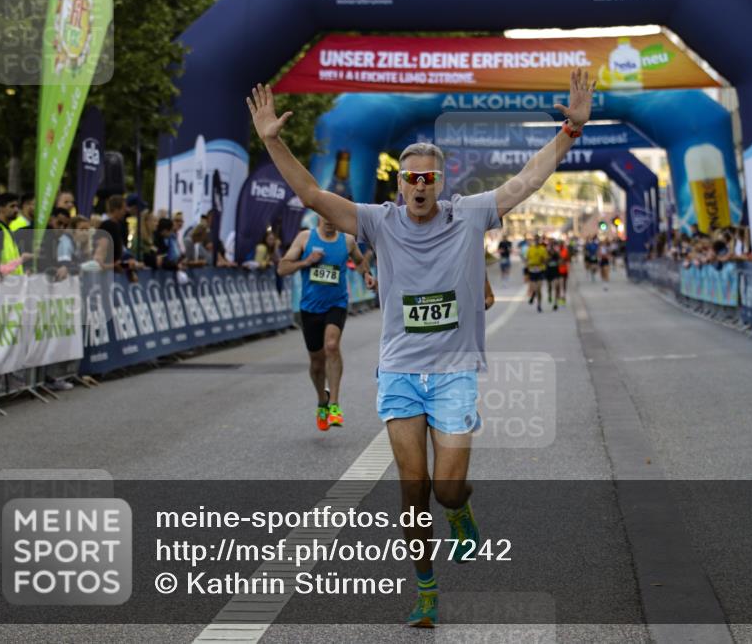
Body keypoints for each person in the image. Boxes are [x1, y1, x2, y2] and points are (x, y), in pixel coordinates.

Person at [248, 69, 594, 627]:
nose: (419, 186)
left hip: (454, 372)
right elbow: (312, 194)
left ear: (440, 181)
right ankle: (427, 590)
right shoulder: (378, 223)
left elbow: (527, 180)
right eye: (411, 178)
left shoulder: (469, 214)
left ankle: (460, 512)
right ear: (400, 183)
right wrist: (272, 140)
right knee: (414, 490)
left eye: (429, 178)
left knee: (448, 489)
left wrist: (570, 131)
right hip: (401, 373)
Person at [278, 216, 375, 431]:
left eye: (333, 216)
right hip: (310, 308)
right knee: (316, 362)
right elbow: (282, 268)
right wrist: (306, 261)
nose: (330, 221)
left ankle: (334, 405)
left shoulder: (347, 241)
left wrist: (366, 275)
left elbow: (359, 261)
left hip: (336, 304)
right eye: (325, 217)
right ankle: (322, 400)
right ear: (318, 216)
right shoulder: (305, 238)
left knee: (331, 346)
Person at [0, 193, 31, 276]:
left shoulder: (8, 231)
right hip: (0, 280)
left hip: (10, 280)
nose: (16, 210)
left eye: (17, 206)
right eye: (12, 206)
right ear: (1, 208)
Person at [525, 235, 548, 312]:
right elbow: (527, 259)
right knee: (534, 288)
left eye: (538, 240)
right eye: (535, 240)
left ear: (540, 240)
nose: (537, 241)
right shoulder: (530, 249)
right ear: (534, 241)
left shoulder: (543, 249)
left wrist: (542, 260)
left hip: (540, 270)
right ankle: (533, 294)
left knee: (539, 289)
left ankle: (539, 305)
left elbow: (546, 260)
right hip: (532, 271)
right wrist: (528, 267)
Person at [544, 239, 561, 310]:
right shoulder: (546, 253)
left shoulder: (556, 253)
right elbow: (544, 262)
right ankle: (549, 295)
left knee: (556, 287)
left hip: (555, 272)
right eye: (550, 245)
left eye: (552, 245)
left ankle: (555, 303)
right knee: (549, 287)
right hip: (549, 272)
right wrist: (547, 259)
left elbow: (560, 261)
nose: (551, 247)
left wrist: (558, 261)